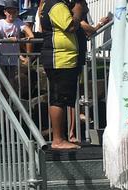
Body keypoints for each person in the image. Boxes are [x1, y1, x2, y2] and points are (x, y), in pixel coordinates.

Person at [40, 0, 84, 150]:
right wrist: (78, 9)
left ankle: (62, 137)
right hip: (59, 60)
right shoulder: (56, 5)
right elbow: (71, 26)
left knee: (63, 99)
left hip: (65, 59)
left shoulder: (56, 5)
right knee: (58, 99)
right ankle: (58, 139)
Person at [0, 1, 34, 67]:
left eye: (14, 12)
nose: (11, 14)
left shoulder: (18, 21)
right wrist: (9, 39)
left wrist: (31, 36)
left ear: (17, 12)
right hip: (0, 56)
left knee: (11, 77)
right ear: (5, 12)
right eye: (9, 12)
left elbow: (26, 28)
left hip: (13, 58)